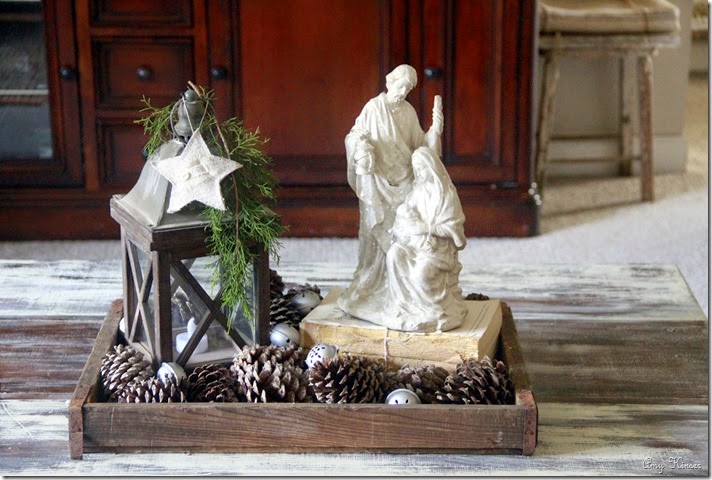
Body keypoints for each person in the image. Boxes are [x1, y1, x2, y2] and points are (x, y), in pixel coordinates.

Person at [337, 64, 444, 323]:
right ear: (390, 82)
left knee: (404, 236)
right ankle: (369, 286)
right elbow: (354, 136)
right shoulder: (373, 108)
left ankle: (403, 290)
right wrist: (361, 147)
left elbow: (420, 145)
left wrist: (435, 132)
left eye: (407, 89)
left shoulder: (408, 112)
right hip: (377, 183)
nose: (402, 92)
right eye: (400, 86)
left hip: (405, 183)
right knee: (372, 234)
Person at [383, 146, 468, 332]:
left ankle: (435, 311)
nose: (420, 173)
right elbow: (401, 220)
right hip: (413, 245)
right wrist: (405, 230)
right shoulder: (416, 193)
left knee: (420, 275)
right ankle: (405, 307)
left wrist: (426, 228)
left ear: (432, 168)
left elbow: (454, 231)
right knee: (393, 255)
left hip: (438, 249)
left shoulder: (445, 196)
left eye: (422, 168)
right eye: (417, 169)